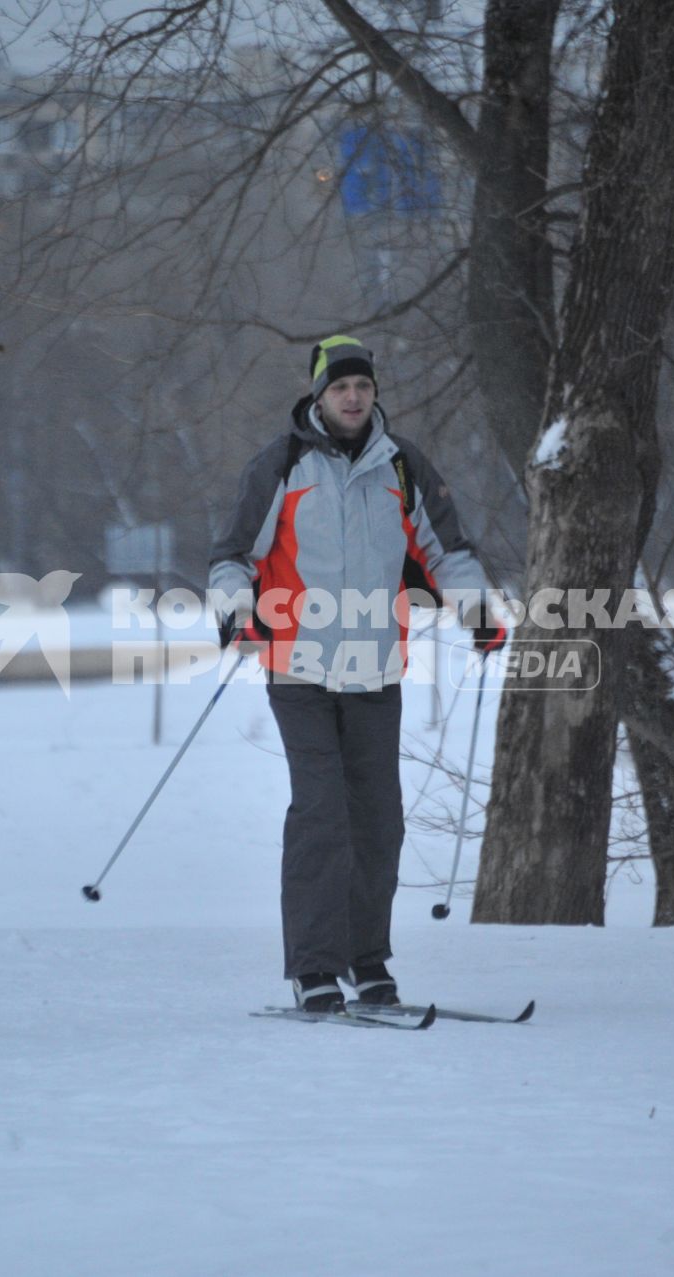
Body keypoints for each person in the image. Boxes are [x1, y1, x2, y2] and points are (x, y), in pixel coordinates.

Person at [209, 336, 505, 1013]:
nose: (352, 397)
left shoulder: (401, 465)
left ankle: (367, 959)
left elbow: (446, 547)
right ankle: (314, 965)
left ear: (374, 395)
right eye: (340, 387)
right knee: (322, 812)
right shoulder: (281, 464)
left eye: (362, 388)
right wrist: (235, 611)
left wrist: (479, 611)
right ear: (319, 395)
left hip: (376, 669)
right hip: (300, 666)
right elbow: (232, 555)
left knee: (378, 820)